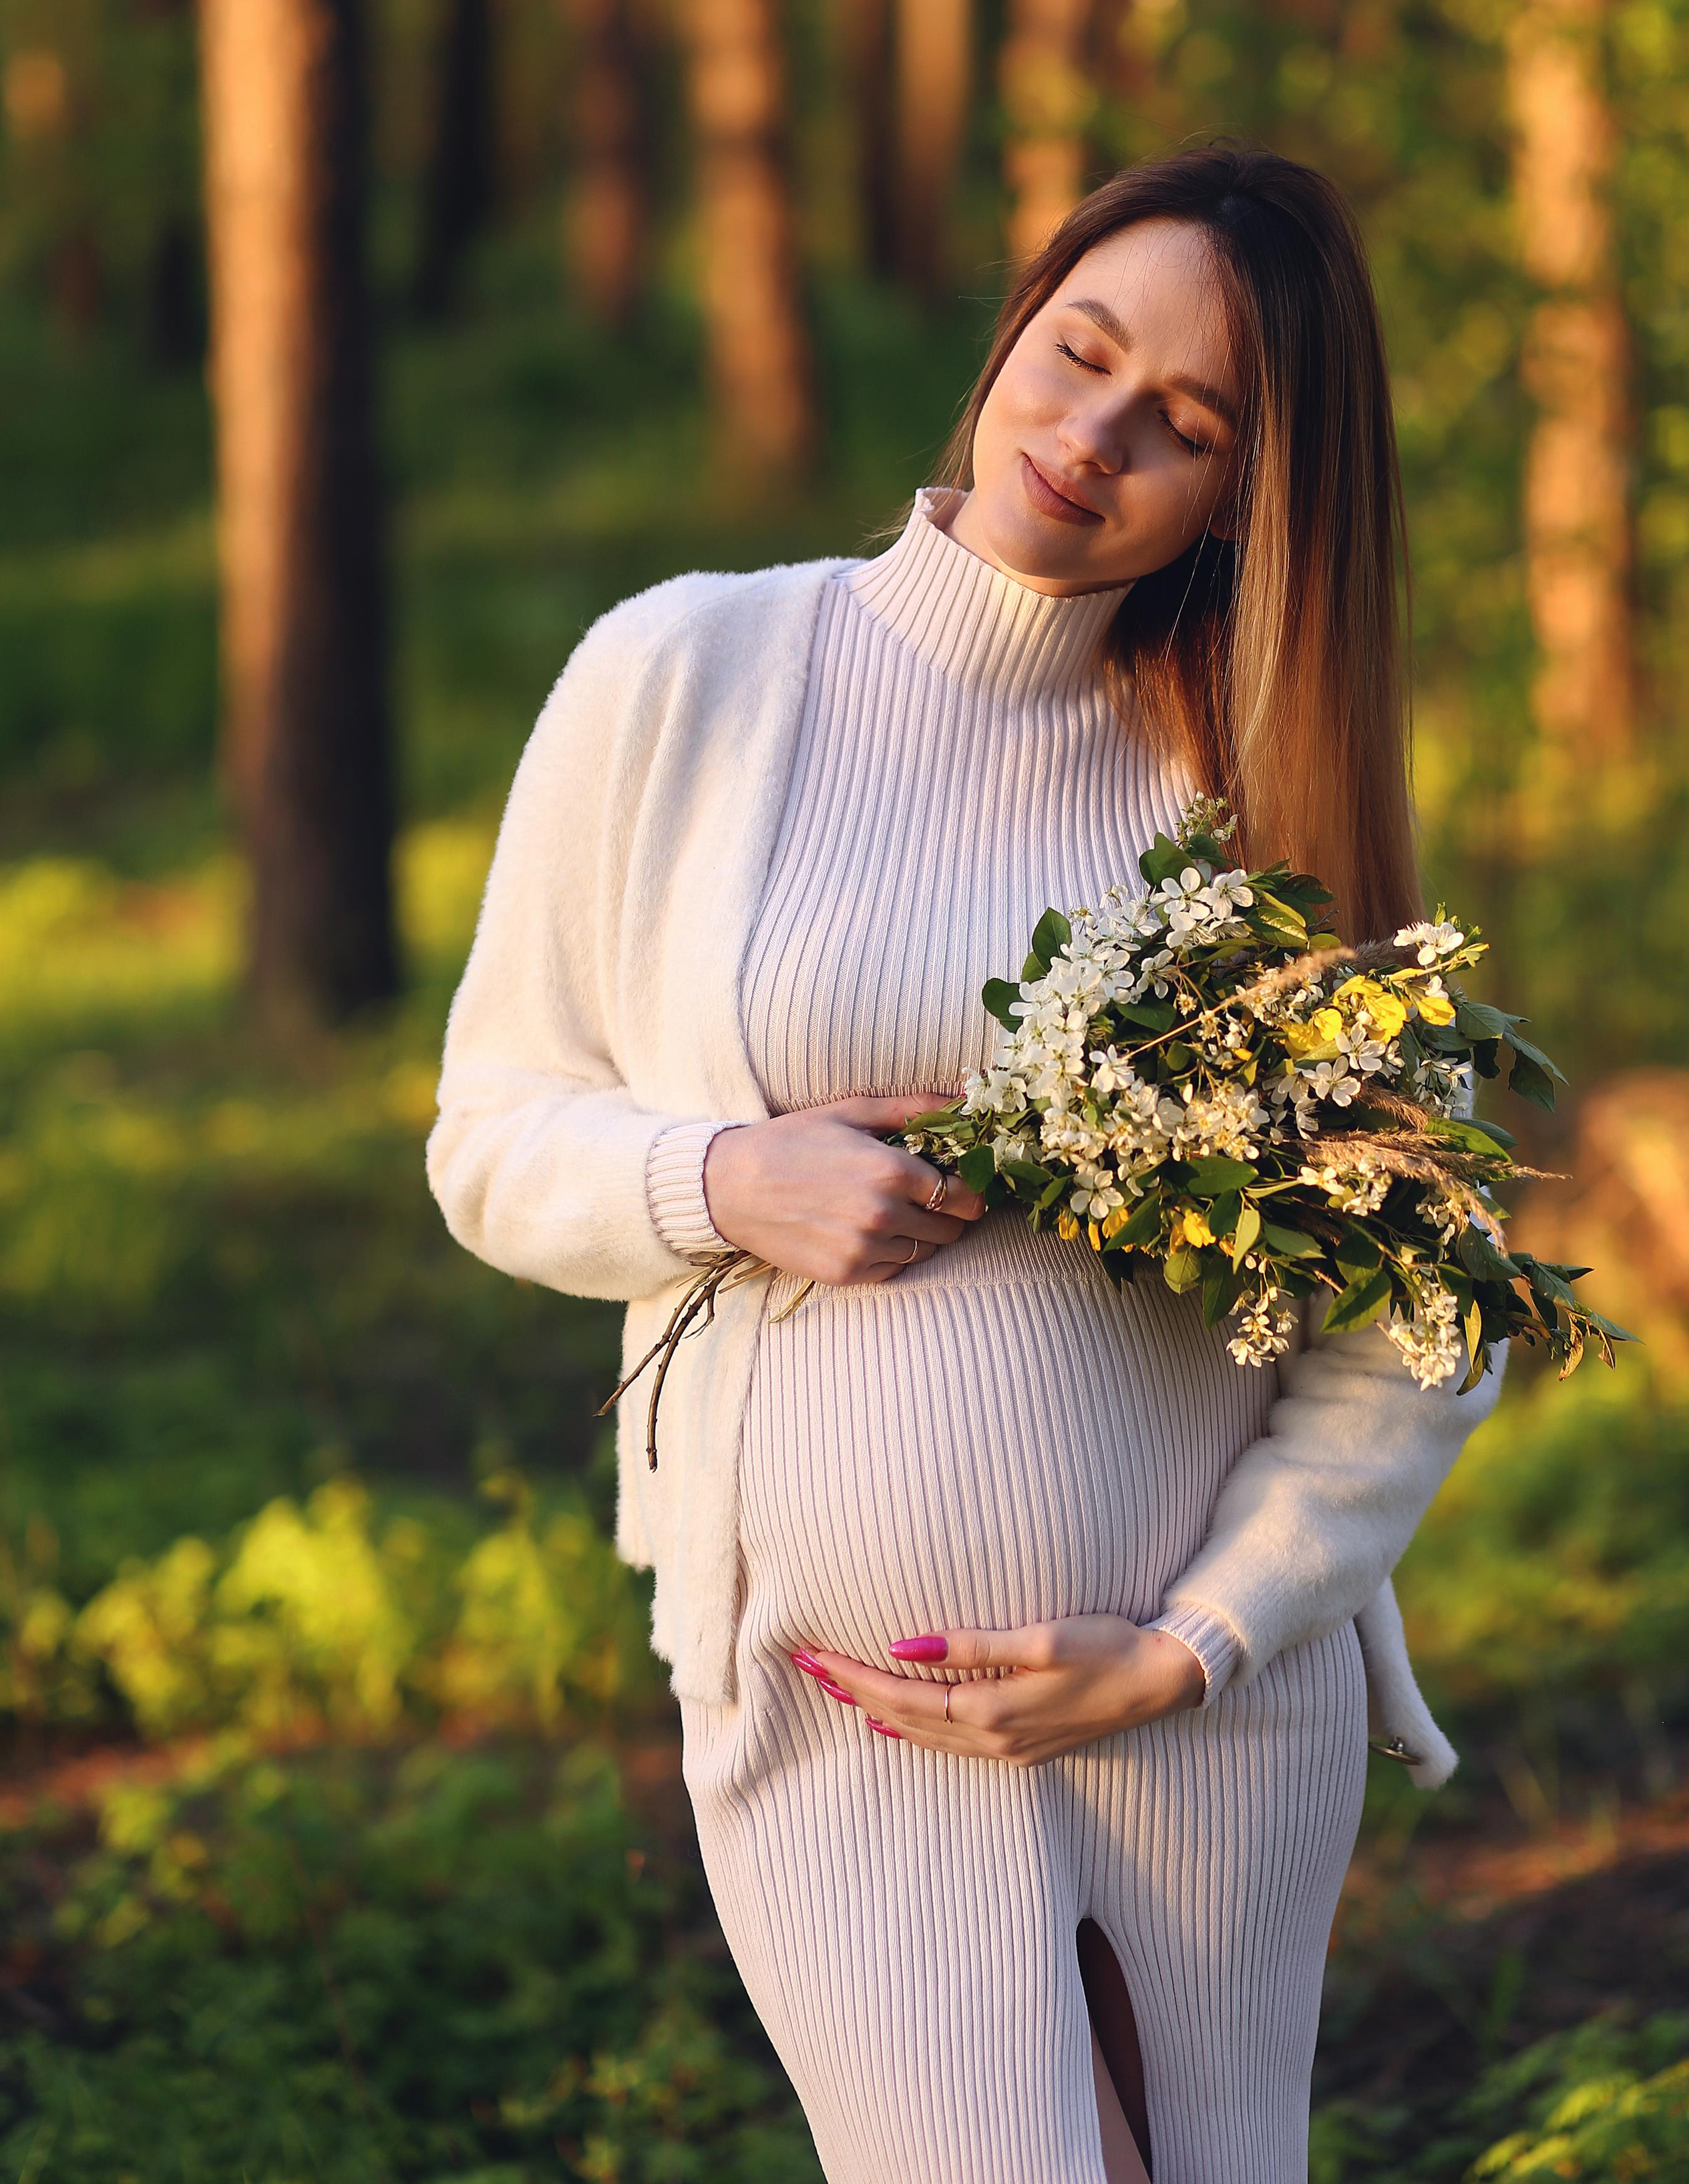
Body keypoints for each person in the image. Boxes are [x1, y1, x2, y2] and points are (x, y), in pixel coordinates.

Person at [428, 147, 1504, 2184]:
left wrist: (1195, 1643)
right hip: (846, 1714)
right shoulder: (689, 675)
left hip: (1205, 1724)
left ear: (1252, 499)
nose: (1092, 440)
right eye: (1080, 353)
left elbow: (1432, 1317)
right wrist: (721, 1182)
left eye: (1185, 426)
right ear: (1016, 325)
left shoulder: (1253, 796)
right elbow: (489, 1142)